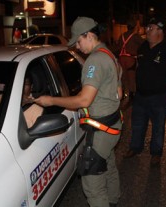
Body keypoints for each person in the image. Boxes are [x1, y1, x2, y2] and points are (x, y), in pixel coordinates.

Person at [35, 16, 123, 207]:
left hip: (101, 130)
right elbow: (119, 91)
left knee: (92, 184)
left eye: (79, 41)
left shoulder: (95, 61)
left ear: (89, 35)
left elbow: (84, 99)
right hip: (113, 124)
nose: (77, 46)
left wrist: (50, 100)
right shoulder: (109, 54)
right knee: (108, 166)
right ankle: (114, 200)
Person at [123, 17, 166, 166]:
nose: (146, 30)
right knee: (137, 124)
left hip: (159, 96)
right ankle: (135, 148)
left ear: (160, 31)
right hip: (141, 95)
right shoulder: (142, 47)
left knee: (158, 127)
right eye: (147, 27)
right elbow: (138, 67)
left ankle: (156, 153)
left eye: (150, 28)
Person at [115, 17, 144, 102]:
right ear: (134, 27)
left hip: (121, 59)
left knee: (123, 78)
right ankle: (132, 94)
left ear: (127, 27)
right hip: (130, 59)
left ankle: (122, 93)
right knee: (132, 78)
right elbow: (143, 45)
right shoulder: (135, 36)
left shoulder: (122, 36)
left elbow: (118, 47)